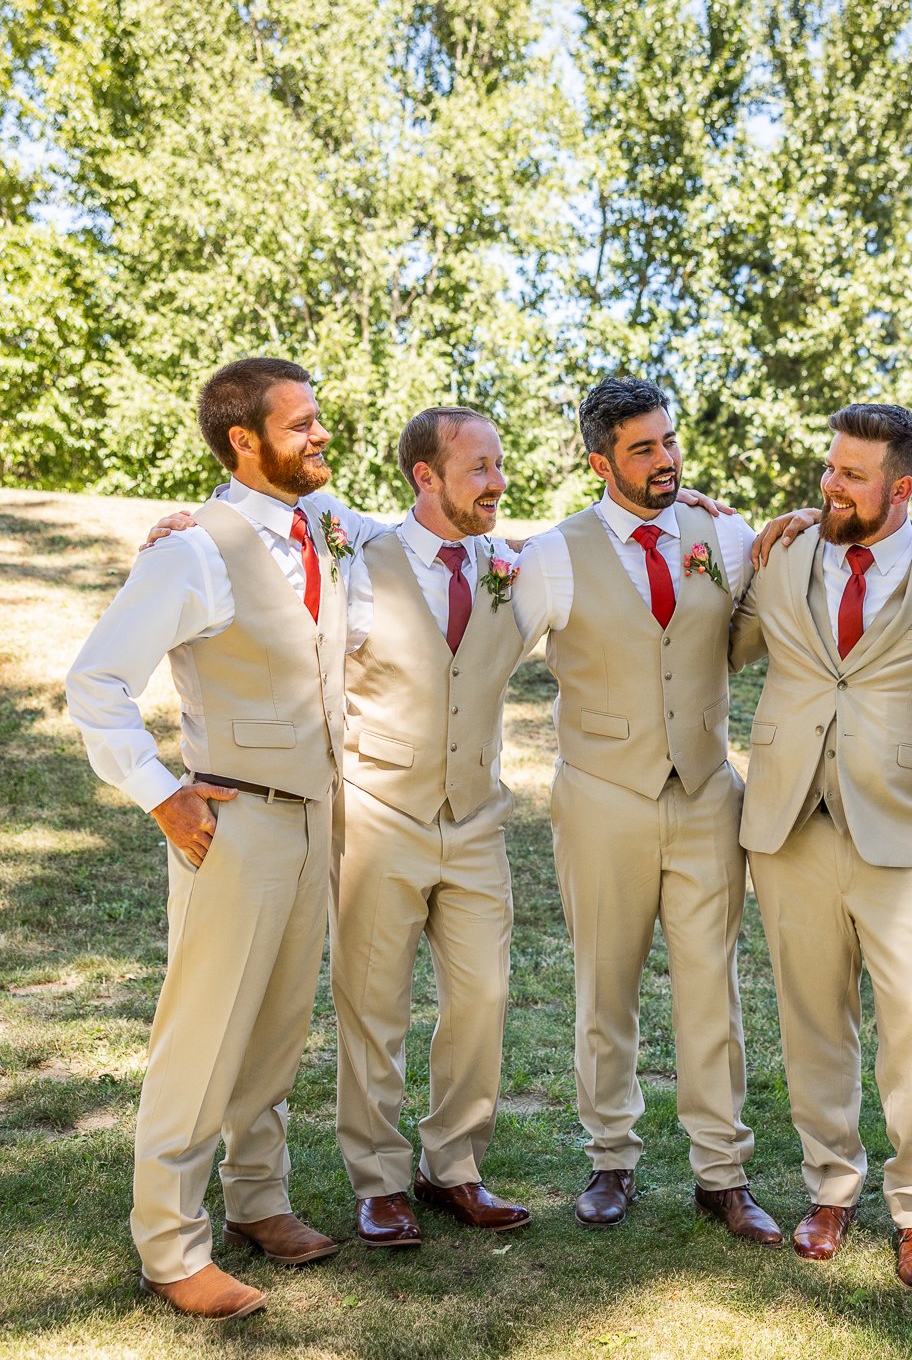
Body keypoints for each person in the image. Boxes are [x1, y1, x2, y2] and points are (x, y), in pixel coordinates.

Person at [66, 357, 348, 1320]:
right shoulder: (190, 552)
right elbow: (96, 681)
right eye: (301, 424)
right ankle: (170, 1248)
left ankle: (258, 1201)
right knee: (204, 1036)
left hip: (314, 817)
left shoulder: (326, 523)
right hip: (232, 825)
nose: (321, 435)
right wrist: (159, 795)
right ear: (244, 440)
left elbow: (424, 535)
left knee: (276, 1028)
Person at [730, 404, 912, 1290]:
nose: (830, 485)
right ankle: (830, 1185)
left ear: (903, 488)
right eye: (831, 467)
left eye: (852, 475)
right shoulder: (781, 555)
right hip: (789, 827)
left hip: (905, 834)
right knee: (812, 1019)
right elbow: (724, 643)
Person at [509, 377, 781, 1244]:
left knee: (713, 991)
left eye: (668, 441)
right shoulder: (553, 556)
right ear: (601, 463)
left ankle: (722, 1173)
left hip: (706, 794)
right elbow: (478, 650)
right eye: (643, 449)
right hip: (601, 799)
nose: (665, 460)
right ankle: (611, 1160)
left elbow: (786, 583)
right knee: (606, 985)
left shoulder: (723, 535)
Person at [325, 408, 541, 1248]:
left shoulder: (513, 567)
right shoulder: (359, 562)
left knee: (483, 998)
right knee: (373, 1005)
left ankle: (453, 1166)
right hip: (380, 815)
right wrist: (189, 523)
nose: (498, 482)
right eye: (479, 467)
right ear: (426, 477)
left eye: (499, 464)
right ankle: (379, 1181)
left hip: (477, 818)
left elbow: (614, 536)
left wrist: (696, 504)